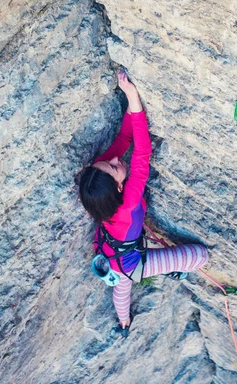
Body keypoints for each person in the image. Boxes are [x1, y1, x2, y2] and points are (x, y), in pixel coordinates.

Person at [78, 70, 209, 335]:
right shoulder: (128, 200)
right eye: (115, 167)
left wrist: (129, 103)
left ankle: (124, 321)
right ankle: (172, 272)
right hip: (129, 264)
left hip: (109, 254)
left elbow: (124, 140)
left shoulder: (96, 183)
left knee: (122, 289)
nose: (116, 160)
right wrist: (134, 98)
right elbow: (141, 152)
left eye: (109, 162)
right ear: (118, 186)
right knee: (200, 256)